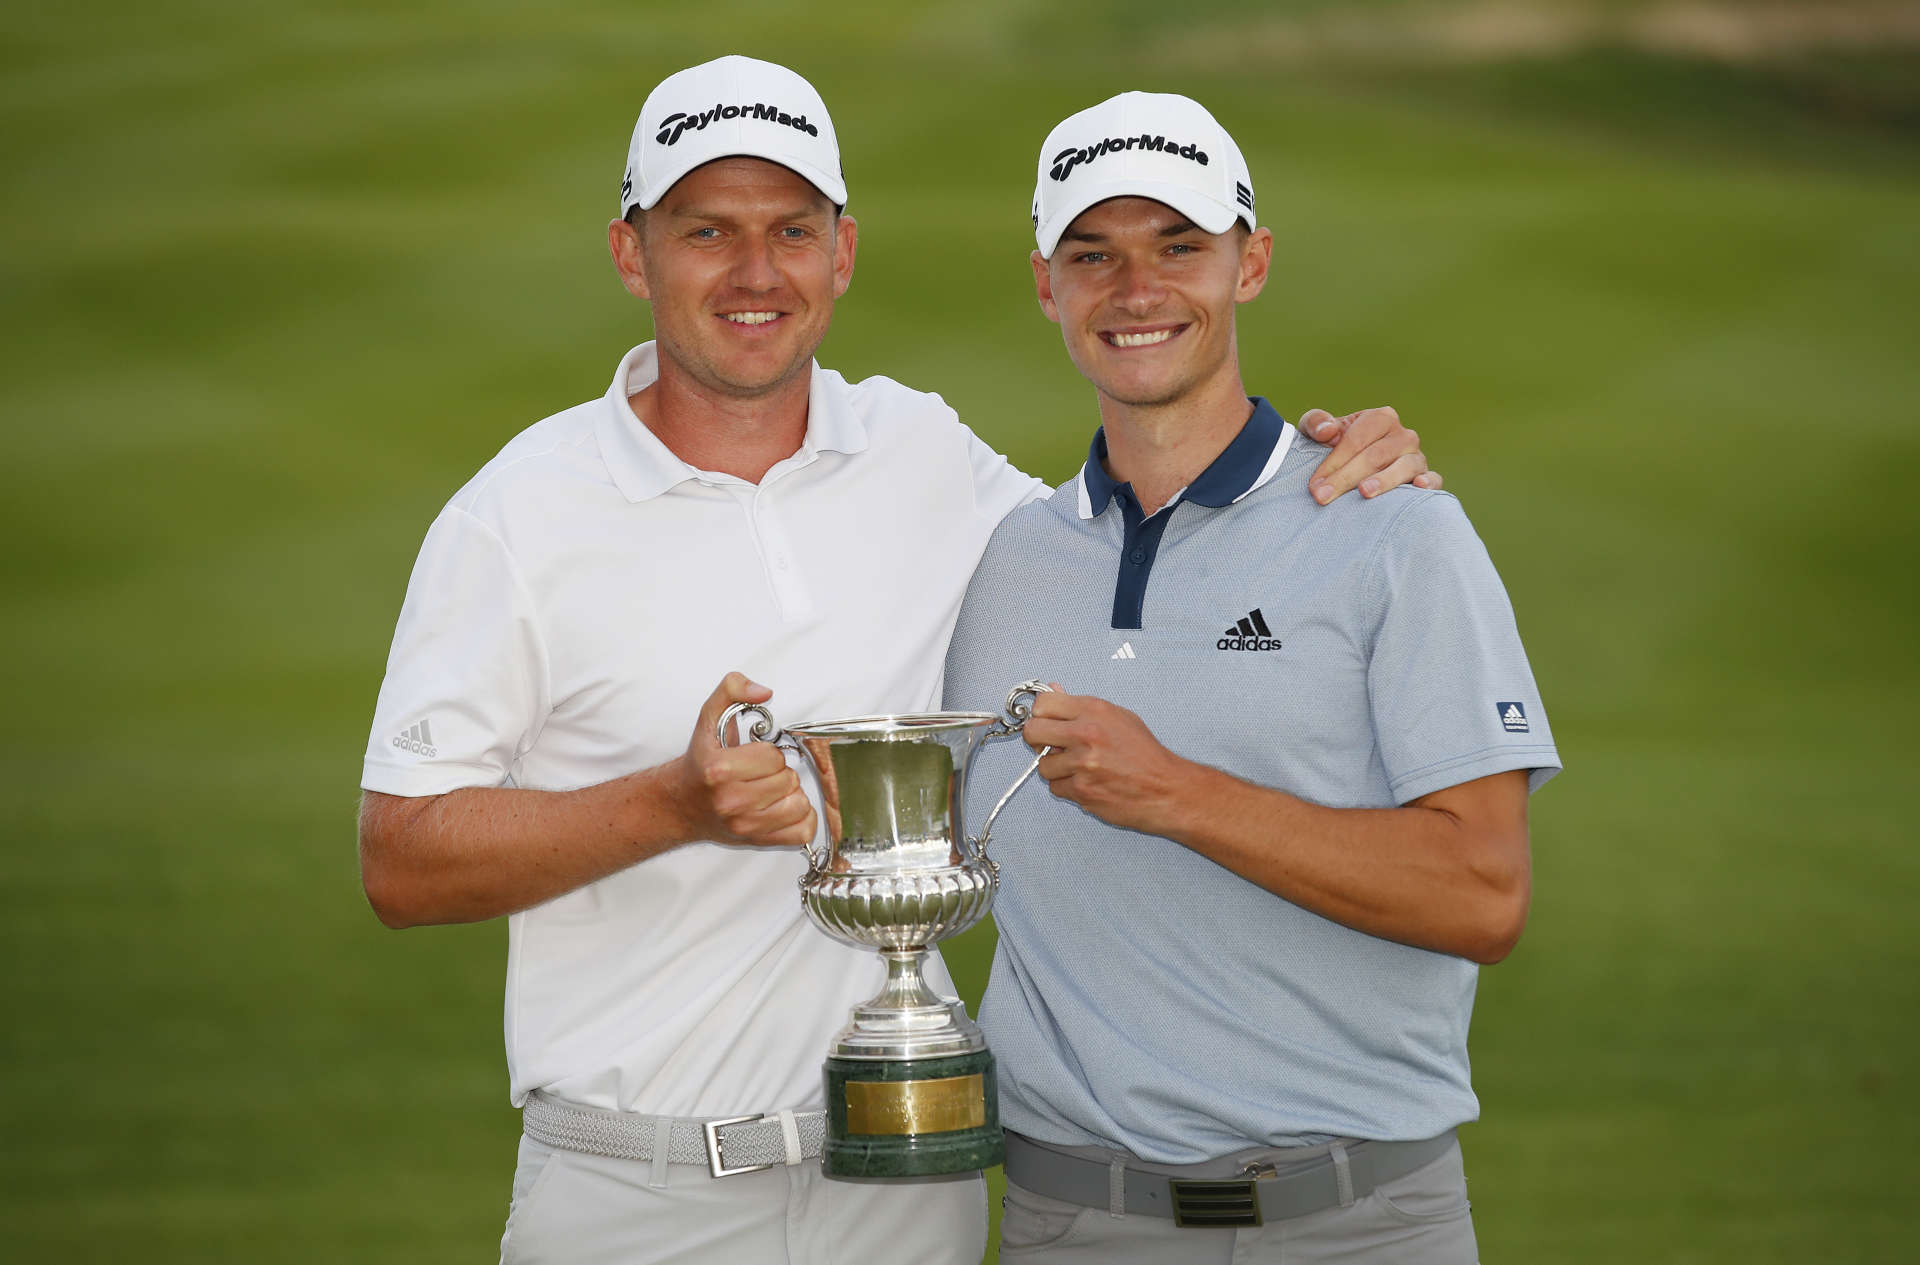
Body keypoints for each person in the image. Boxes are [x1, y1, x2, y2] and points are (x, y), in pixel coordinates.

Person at [358, 58, 1436, 1265]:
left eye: (792, 230)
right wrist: (671, 803)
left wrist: (1326, 466)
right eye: (707, 230)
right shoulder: (519, 513)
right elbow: (402, 859)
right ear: (631, 254)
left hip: (906, 1182)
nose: (756, 272)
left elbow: (1128, 551)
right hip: (634, 1189)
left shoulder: (920, 449)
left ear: (844, 252)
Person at [943, 91, 1562, 1264]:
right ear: (1045, 286)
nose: (1137, 289)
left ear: (1252, 262)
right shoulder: (998, 556)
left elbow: (1485, 893)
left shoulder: (1392, 527)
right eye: (1093, 254)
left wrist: (1175, 791)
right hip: (1077, 1224)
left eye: (1180, 246)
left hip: (1361, 1222)